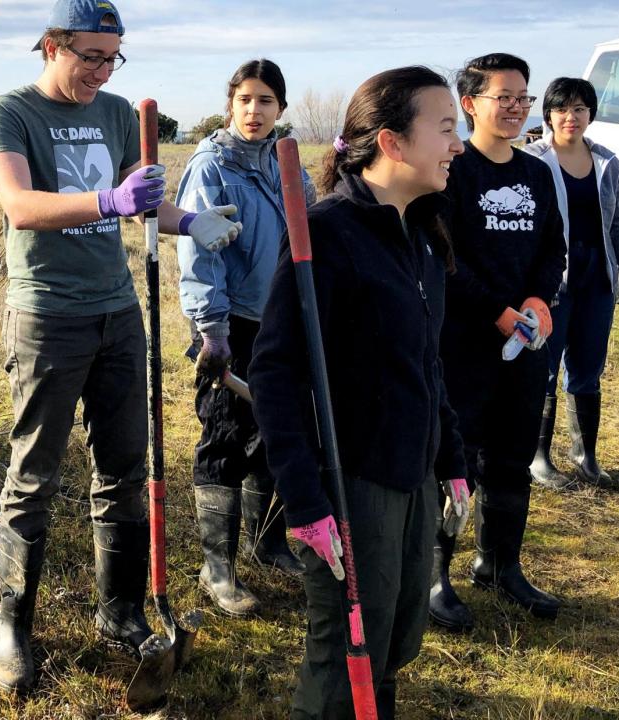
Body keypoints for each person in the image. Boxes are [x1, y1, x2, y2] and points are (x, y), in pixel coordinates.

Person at [0, 0, 243, 693]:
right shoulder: (10, 112)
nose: (100, 70)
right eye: (88, 55)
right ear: (50, 45)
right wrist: (107, 203)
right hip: (46, 317)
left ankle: (119, 611)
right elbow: (20, 206)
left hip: (118, 315)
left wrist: (191, 220)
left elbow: (142, 200)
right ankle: (13, 627)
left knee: (124, 465)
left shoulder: (119, 112)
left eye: (111, 56)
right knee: (34, 475)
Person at [249, 65, 470, 718]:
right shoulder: (329, 236)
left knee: (397, 643)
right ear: (393, 142)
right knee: (346, 665)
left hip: (414, 476)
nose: (457, 144)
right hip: (353, 484)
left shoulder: (423, 234)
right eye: (447, 128)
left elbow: (427, 364)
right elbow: (275, 373)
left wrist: (451, 459)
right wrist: (305, 501)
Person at [429, 53, 569, 632]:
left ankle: (500, 563)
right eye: (503, 97)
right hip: (464, 343)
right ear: (470, 105)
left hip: (527, 346)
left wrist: (536, 303)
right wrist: (499, 313)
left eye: (522, 98)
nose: (515, 108)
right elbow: (444, 258)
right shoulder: (453, 170)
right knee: (453, 458)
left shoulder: (537, 172)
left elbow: (552, 248)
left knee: (513, 455)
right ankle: (436, 573)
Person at [174, 58, 312, 618]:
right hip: (232, 325)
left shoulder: (288, 163)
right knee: (226, 437)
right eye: (245, 100)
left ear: (281, 108)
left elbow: (308, 233)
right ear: (230, 104)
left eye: (266, 102)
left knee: (277, 433)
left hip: (283, 320)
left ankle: (269, 542)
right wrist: (212, 329)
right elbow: (199, 253)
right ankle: (219, 568)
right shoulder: (211, 167)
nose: (254, 112)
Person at [523, 77, 619, 489]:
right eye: (562, 109)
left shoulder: (609, 163)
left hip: (596, 283)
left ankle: (585, 454)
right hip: (552, 287)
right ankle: (537, 458)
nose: (570, 117)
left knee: (588, 371)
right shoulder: (534, 161)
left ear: (590, 114)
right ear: (548, 115)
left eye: (579, 108)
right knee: (542, 370)